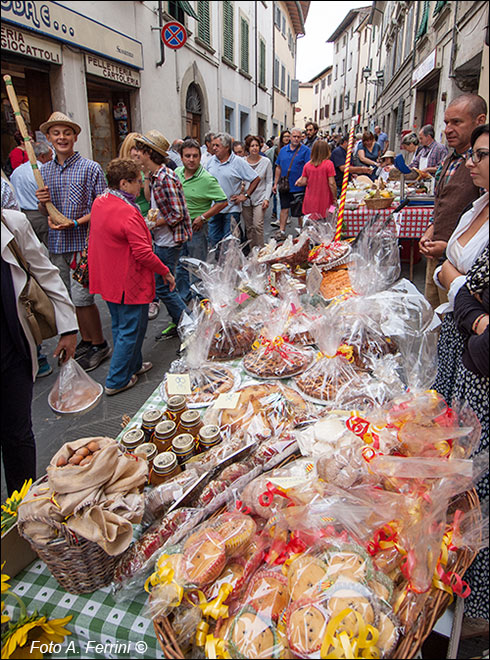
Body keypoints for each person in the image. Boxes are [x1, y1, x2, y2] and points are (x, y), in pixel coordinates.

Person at [1, 208, 78, 495]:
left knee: (17, 434)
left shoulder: (11, 222)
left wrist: (68, 328)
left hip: (12, 348)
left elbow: (45, 273)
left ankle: (22, 506)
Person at [88, 158, 175, 395]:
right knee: (130, 329)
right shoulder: (127, 211)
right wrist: (165, 271)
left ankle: (133, 365)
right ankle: (116, 380)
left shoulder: (101, 201)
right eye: (138, 181)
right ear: (124, 183)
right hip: (128, 280)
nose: (141, 186)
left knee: (121, 326)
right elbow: (144, 253)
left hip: (110, 277)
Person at [35, 111, 111, 372]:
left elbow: (102, 207)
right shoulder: (43, 171)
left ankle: (99, 344)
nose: (62, 137)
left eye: (67, 132)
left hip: (82, 243)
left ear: (75, 136)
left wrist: (76, 222)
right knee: (68, 298)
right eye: (56, 133)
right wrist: (41, 201)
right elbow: (45, 213)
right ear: (48, 138)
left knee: (83, 299)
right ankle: (86, 340)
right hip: (56, 244)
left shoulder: (90, 168)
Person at [419, 94, 487, 309]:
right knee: (434, 319)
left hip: (464, 268)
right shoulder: (450, 159)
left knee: (454, 321)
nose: (448, 129)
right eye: (447, 122)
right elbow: (443, 203)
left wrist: (448, 248)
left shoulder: (481, 166)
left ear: (479, 121)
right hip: (437, 257)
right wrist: (431, 230)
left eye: (457, 122)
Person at [453, 246, 489, 634]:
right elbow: (464, 290)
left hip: (482, 379)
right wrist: (478, 318)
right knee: (470, 493)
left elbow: (483, 355)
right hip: (475, 391)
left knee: (480, 501)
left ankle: (478, 613)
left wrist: (476, 337)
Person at [134, 130, 191, 340]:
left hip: (168, 241)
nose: (136, 154)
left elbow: (177, 214)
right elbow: (154, 202)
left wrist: (151, 224)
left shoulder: (165, 177)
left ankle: (188, 323)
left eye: (139, 150)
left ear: (148, 153)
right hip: (162, 239)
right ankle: (182, 323)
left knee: (164, 287)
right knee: (164, 286)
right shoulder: (156, 176)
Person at [174, 138, 228, 301]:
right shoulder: (176, 174)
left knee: (197, 267)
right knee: (179, 267)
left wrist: (203, 217)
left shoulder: (207, 179)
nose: (191, 160)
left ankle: (200, 302)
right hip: (177, 229)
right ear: (181, 157)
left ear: (200, 157)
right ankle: (183, 299)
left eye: (195, 156)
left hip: (196, 230)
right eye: (187, 156)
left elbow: (223, 201)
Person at [118, 133, 161, 320]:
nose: (137, 153)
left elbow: (149, 198)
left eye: (140, 149)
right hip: (127, 219)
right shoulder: (118, 172)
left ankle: (150, 299)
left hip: (145, 218)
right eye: (134, 148)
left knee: (145, 258)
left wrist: (145, 179)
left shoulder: (146, 172)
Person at [205, 132, 260, 247]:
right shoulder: (210, 161)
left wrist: (245, 195)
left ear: (226, 147)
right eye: (213, 145)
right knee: (213, 241)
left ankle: (229, 264)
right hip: (214, 209)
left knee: (229, 243)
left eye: (217, 146)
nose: (213, 148)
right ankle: (218, 264)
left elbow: (255, 178)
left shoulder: (238, 162)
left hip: (231, 210)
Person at [10, 141, 53, 247]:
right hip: (40, 215)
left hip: (24, 215)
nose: (52, 159)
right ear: (42, 156)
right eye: (51, 156)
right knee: (53, 249)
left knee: (32, 251)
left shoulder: (16, 172)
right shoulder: (42, 171)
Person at [272, 128, 311, 240]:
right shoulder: (283, 150)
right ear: (290, 137)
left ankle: (302, 231)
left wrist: (304, 180)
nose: (296, 139)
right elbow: (278, 168)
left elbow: (308, 168)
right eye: (294, 136)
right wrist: (275, 183)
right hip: (285, 186)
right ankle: (282, 231)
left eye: (298, 137)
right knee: (284, 208)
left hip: (299, 186)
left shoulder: (305, 151)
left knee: (300, 211)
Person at [241, 135, 273, 248]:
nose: (254, 148)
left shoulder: (266, 162)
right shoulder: (242, 162)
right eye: (252, 146)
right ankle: (252, 249)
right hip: (246, 198)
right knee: (249, 227)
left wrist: (266, 198)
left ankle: (260, 250)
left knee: (257, 225)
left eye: (256, 145)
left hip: (260, 197)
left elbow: (269, 181)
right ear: (248, 148)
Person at [295, 140, 337, 218]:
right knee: (326, 223)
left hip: (310, 200)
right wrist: (335, 197)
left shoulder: (307, 165)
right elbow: (332, 183)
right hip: (325, 199)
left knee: (311, 224)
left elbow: (303, 181)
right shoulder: (329, 164)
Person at [266, 130, 291, 226]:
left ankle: (286, 216)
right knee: (278, 197)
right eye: (285, 136)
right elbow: (275, 164)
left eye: (288, 136)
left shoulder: (294, 149)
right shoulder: (277, 150)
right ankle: (279, 218)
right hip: (279, 177)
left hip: (290, 177)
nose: (286, 138)